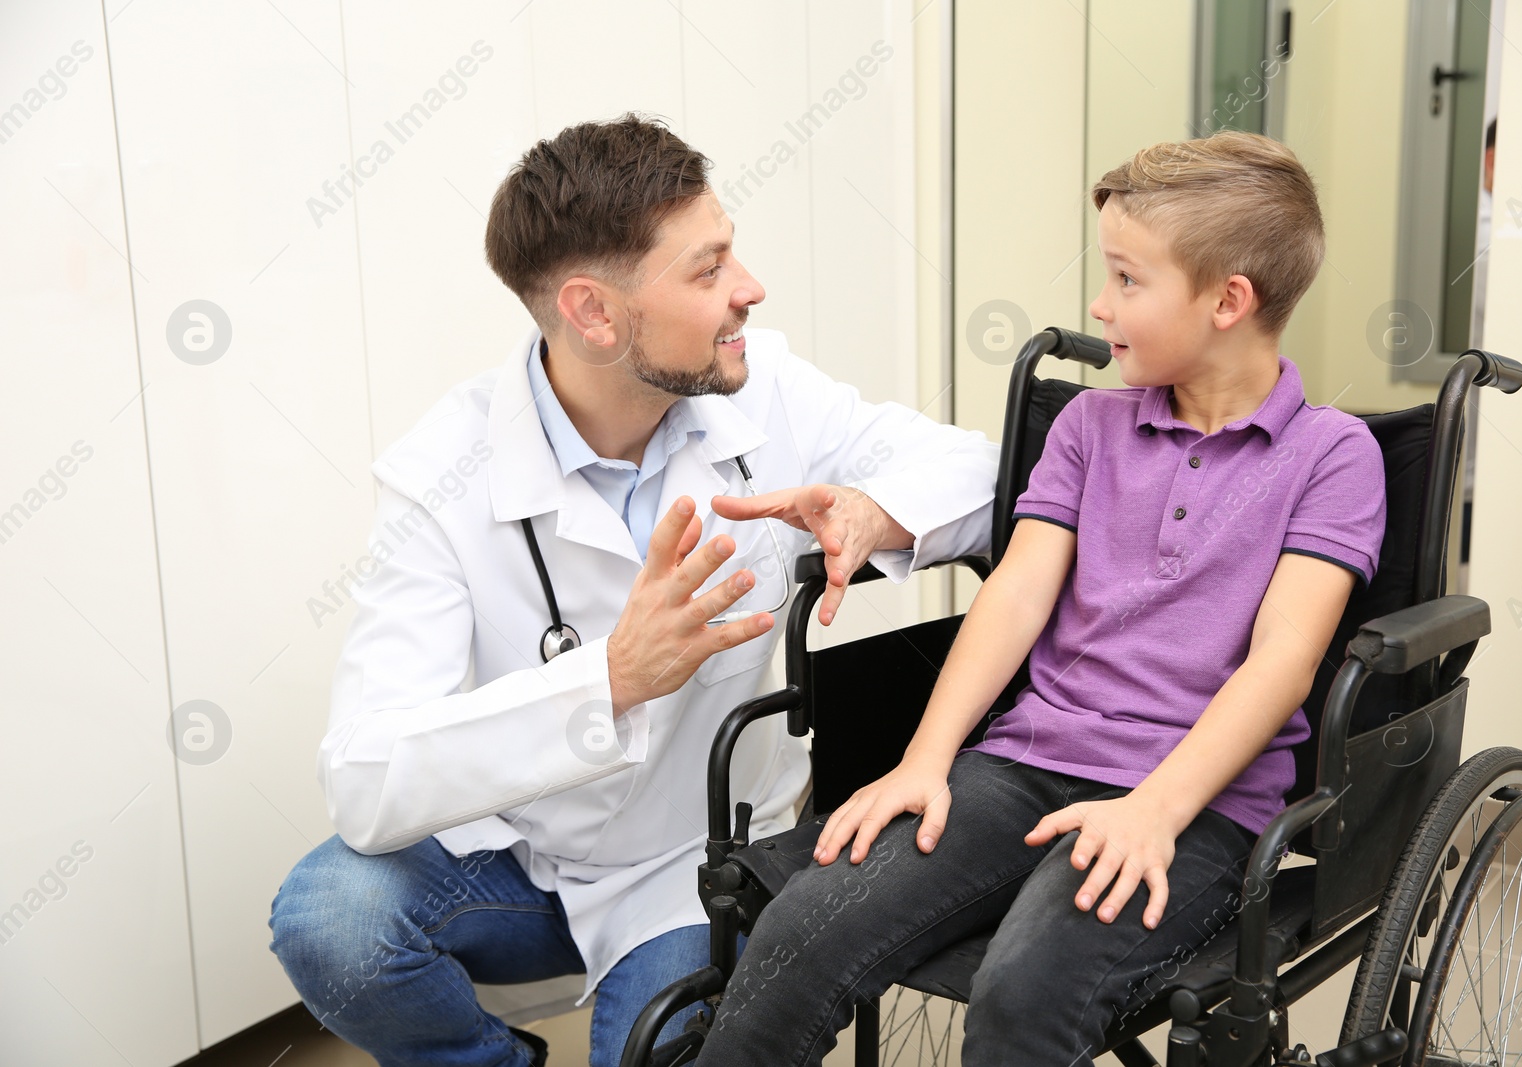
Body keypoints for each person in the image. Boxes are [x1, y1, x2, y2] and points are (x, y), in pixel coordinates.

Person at [266, 114, 998, 1067]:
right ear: (595, 313)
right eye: (707, 270)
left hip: (699, 865)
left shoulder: (764, 388)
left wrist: (870, 510)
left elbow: (984, 473)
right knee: (330, 917)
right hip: (517, 863)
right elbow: (362, 778)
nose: (750, 290)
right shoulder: (441, 474)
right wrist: (608, 679)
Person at [694, 131, 1387, 1066]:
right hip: (1023, 764)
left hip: (1196, 802)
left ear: (1229, 300)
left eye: (1128, 280)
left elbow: (1285, 659)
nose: (1100, 305)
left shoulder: (1332, 455)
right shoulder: (1088, 426)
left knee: (1024, 994)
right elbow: (1014, 595)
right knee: (798, 935)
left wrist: (1154, 808)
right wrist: (924, 760)